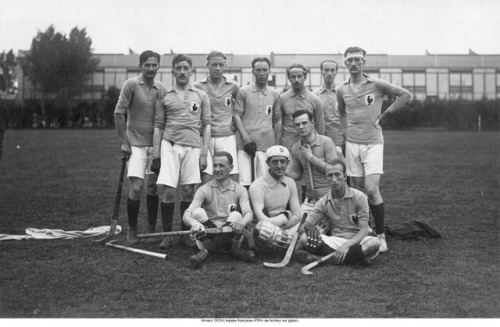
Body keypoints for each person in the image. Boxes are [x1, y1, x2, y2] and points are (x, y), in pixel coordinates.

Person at [336, 47, 412, 252]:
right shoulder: (341, 89)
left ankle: (380, 235)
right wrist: (344, 134)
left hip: (373, 143)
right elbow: (341, 113)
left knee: (371, 189)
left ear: (363, 62)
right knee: (357, 190)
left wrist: (386, 113)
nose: (354, 63)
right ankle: (365, 230)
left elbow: (405, 95)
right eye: (350, 60)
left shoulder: (376, 84)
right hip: (352, 144)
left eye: (357, 60)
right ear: (345, 63)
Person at [152, 54, 211, 249]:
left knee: (188, 191)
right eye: (179, 68)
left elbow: (207, 126)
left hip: (193, 146)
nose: (183, 71)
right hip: (170, 145)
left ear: (191, 70)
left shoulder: (201, 95)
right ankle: (168, 234)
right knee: (168, 192)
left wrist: (204, 153)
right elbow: (158, 127)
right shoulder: (165, 96)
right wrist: (156, 154)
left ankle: (186, 234)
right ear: (173, 71)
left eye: (186, 68)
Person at [114, 50, 166, 245]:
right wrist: (124, 141)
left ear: (158, 67)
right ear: (140, 66)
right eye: (147, 65)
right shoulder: (131, 85)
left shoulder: (161, 88)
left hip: (154, 146)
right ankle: (132, 230)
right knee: (136, 188)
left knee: (153, 189)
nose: (151, 68)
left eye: (154, 65)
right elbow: (119, 113)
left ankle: (152, 229)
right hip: (135, 145)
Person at [295, 160, 381, 266]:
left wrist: (346, 246)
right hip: (335, 241)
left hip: (358, 240)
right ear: (326, 178)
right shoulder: (323, 201)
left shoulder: (360, 197)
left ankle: (334, 259)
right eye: (330, 175)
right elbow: (304, 227)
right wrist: (309, 227)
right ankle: (355, 258)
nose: (334, 179)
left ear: (344, 176)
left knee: (375, 243)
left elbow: (363, 230)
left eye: (337, 175)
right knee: (304, 238)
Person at [183, 152, 254, 268]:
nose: (217, 169)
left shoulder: (240, 189)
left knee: (236, 215)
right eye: (215, 165)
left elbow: (249, 214)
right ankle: (231, 249)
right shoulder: (204, 189)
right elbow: (187, 215)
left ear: (231, 168)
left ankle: (205, 253)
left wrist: (242, 223)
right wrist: (195, 223)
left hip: (231, 230)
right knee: (197, 213)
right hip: (208, 232)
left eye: (221, 165)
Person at [233, 57, 281, 187]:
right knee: (245, 183)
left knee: (264, 184)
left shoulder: (275, 94)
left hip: (266, 146)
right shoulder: (244, 91)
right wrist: (246, 138)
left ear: (269, 71)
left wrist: (276, 144)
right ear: (253, 71)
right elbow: (236, 115)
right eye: (258, 70)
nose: (262, 73)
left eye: (265, 70)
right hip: (246, 146)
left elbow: (277, 121)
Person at [194, 51, 240, 184]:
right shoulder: (198, 86)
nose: (218, 68)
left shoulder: (233, 86)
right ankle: (205, 205)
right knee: (206, 177)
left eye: (221, 65)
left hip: (227, 135)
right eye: (214, 64)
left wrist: (234, 122)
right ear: (207, 65)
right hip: (205, 137)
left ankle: (230, 204)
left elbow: (239, 109)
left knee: (231, 176)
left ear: (225, 66)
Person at [286, 109, 339, 219]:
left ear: (312, 123)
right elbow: (298, 174)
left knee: (330, 232)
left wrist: (310, 157)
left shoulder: (326, 142)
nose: (301, 127)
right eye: (297, 124)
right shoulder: (296, 148)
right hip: (310, 202)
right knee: (296, 229)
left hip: (331, 198)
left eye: (304, 123)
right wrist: (282, 170)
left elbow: (333, 171)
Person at [249, 145, 301, 251]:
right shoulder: (257, 185)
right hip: (264, 230)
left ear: (288, 162)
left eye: (282, 161)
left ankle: (288, 244)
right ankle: (294, 245)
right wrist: (286, 215)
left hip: (284, 227)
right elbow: (263, 221)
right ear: (268, 163)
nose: (279, 165)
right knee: (262, 229)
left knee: (307, 222)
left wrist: (282, 228)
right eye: (275, 162)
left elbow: (297, 215)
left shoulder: (290, 182)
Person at [278, 63, 324, 150]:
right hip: (288, 146)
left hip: (309, 147)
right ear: (289, 78)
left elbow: (320, 127)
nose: (296, 80)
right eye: (293, 77)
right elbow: (278, 124)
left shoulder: (315, 99)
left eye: (299, 76)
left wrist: (320, 148)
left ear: (305, 76)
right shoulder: (282, 99)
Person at [313, 59, 344, 155]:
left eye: (332, 70)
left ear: (336, 72)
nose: (329, 73)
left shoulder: (343, 93)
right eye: (326, 70)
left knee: (341, 167)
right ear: (321, 72)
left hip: (340, 140)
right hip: (320, 139)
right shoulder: (314, 95)